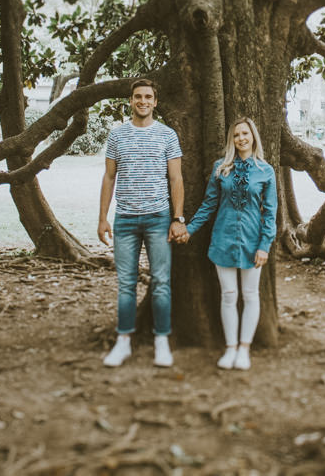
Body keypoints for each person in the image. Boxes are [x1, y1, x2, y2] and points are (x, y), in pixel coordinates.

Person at [98, 79, 187, 367]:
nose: (143, 101)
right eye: (138, 96)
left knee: (161, 282)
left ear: (155, 102)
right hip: (124, 220)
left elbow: (176, 179)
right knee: (126, 284)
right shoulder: (117, 136)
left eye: (148, 96)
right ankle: (123, 342)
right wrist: (102, 218)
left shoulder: (167, 135)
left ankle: (162, 341)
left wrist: (178, 218)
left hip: (159, 219)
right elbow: (109, 177)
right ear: (131, 100)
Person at [179, 117, 277, 371]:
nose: (241, 138)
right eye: (236, 135)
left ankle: (245, 349)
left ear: (253, 136)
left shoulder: (265, 171)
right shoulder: (220, 168)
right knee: (229, 295)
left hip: (253, 242)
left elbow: (270, 212)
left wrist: (264, 245)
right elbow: (209, 205)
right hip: (223, 240)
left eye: (245, 133)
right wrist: (189, 229)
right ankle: (230, 348)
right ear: (231, 140)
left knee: (251, 295)